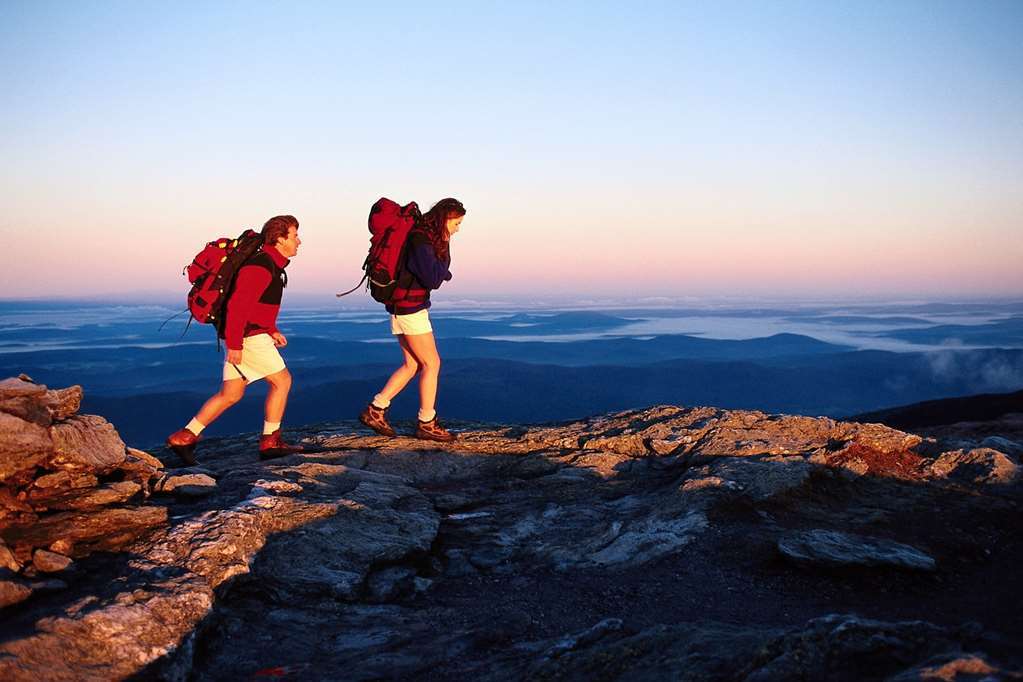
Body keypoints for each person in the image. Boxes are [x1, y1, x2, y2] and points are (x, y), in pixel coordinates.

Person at [166, 215, 305, 464]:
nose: (299, 241)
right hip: (248, 338)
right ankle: (270, 441)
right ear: (280, 238)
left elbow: (257, 306)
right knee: (282, 382)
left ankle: (184, 437)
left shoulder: (269, 265)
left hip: (250, 334)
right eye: (294, 236)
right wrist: (235, 345)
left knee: (231, 394)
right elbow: (238, 307)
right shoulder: (260, 267)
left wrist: (271, 329)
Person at [360, 198, 465, 442]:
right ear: (445, 219)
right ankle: (427, 422)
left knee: (412, 365)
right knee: (432, 364)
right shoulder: (422, 238)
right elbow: (433, 278)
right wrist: (446, 254)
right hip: (411, 308)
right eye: (457, 223)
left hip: (400, 306)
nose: (458, 229)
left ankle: (376, 409)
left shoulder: (418, 235)